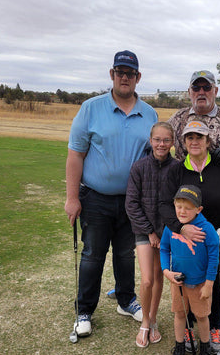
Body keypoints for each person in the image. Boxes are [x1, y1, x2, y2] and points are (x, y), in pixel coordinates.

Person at [65, 50, 158, 337]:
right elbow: (75, 155)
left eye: (130, 73)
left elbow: (154, 158)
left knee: (125, 254)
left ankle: (126, 300)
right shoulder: (91, 108)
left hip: (133, 201)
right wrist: (72, 198)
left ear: (138, 77)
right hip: (95, 197)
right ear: (112, 75)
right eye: (120, 72)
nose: (125, 77)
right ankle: (84, 310)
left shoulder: (150, 114)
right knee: (93, 254)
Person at [160, 119, 220, 354]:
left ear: (208, 141)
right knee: (186, 283)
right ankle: (187, 326)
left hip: (218, 240)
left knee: (214, 282)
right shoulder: (177, 170)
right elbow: (164, 205)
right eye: (190, 137)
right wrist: (180, 227)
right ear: (184, 142)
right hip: (184, 245)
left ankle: (214, 326)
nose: (194, 141)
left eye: (200, 137)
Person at [125, 122, 177, 348]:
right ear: (150, 141)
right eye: (157, 139)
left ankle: (153, 319)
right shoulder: (138, 167)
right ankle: (144, 321)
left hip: (165, 232)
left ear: (172, 142)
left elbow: (179, 204)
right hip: (144, 231)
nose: (161, 144)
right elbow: (131, 204)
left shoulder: (177, 169)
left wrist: (165, 231)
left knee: (158, 277)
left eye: (166, 140)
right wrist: (149, 231)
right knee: (146, 279)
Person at [160, 185, 219, 355]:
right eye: (179, 207)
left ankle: (204, 347)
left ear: (198, 209)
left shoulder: (207, 229)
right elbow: (164, 248)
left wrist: (209, 284)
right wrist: (166, 272)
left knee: (202, 317)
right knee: (179, 314)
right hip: (178, 282)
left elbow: (214, 256)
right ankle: (179, 347)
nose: (182, 211)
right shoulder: (172, 227)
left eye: (188, 207)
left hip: (200, 284)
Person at [168, 70, 220, 170]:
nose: (201, 92)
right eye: (196, 88)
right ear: (189, 92)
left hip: (218, 183)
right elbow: (159, 145)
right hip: (184, 182)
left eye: (207, 88)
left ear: (215, 91)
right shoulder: (178, 118)